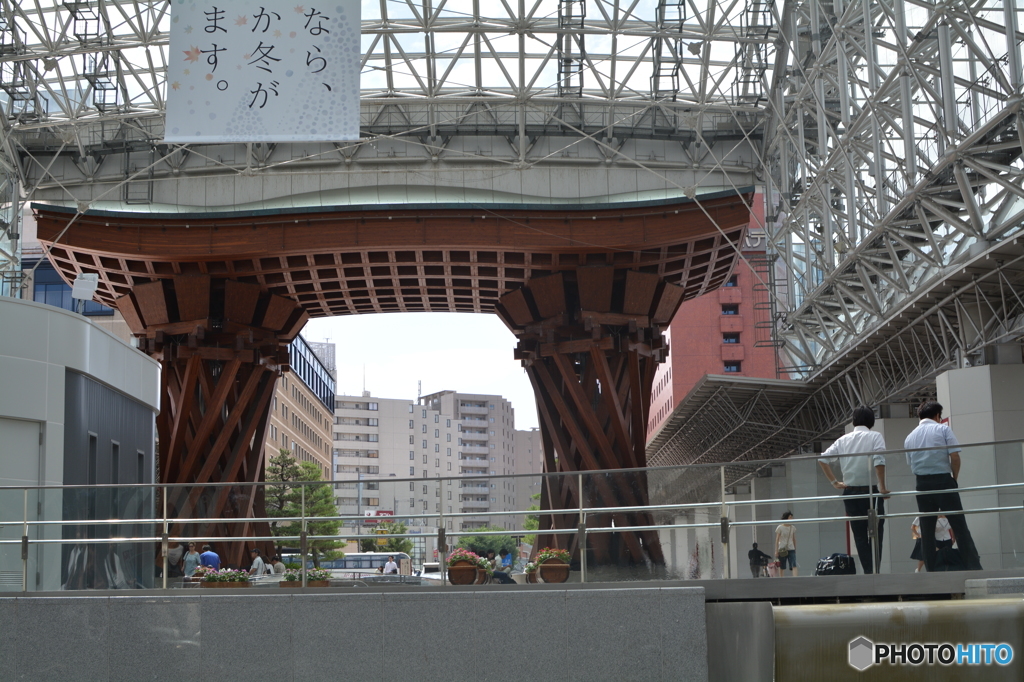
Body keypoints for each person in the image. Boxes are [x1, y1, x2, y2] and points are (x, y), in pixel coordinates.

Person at [904, 401, 983, 571]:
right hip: (943, 480)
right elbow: (954, 456)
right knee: (959, 525)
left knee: (927, 528)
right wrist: (954, 478)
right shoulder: (942, 429)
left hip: (922, 483)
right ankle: (973, 567)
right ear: (937, 416)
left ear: (920, 416)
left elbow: (910, 463)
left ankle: (932, 570)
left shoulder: (910, 437)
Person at [817, 405, 891, 574]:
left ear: (853, 421)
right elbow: (879, 461)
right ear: (871, 421)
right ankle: (875, 572)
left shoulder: (843, 440)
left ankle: (867, 572)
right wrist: (882, 487)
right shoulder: (875, 436)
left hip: (850, 492)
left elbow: (823, 460)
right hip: (871, 492)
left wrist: (834, 482)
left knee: (858, 535)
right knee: (876, 533)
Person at [775, 512, 798, 576]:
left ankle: (796, 578)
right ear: (786, 517)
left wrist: (795, 548)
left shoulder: (792, 527)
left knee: (793, 564)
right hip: (782, 548)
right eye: (790, 517)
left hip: (791, 548)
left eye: (791, 517)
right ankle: (781, 579)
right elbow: (777, 539)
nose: (791, 518)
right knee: (782, 566)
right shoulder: (780, 527)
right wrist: (776, 551)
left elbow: (794, 539)